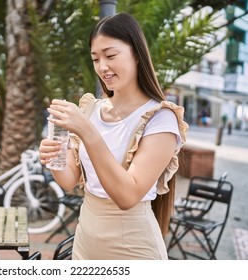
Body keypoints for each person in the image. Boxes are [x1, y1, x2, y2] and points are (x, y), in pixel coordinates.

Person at [38, 12, 188, 260]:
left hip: (133, 248)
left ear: (137, 54)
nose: (102, 67)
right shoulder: (91, 109)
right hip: (86, 240)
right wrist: (54, 158)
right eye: (95, 59)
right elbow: (70, 180)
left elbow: (127, 196)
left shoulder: (161, 119)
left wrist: (87, 132)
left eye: (110, 55)